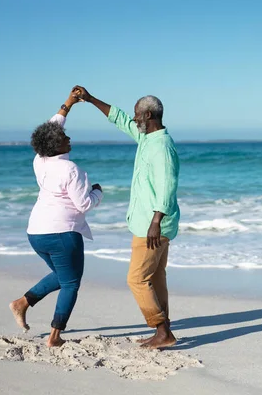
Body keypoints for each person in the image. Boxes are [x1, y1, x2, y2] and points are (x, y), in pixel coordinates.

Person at [72, 85, 179, 349]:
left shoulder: (161, 147)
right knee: (155, 278)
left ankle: (162, 330)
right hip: (149, 222)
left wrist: (155, 221)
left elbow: (167, 186)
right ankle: (163, 330)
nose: (133, 119)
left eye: (137, 116)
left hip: (152, 226)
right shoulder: (146, 138)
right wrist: (90, 99)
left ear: (149, 116)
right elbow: (118, 118)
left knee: (136, 278)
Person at [9, 92, 103, 347]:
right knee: (71, 282)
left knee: (63, 276)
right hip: (63, 234)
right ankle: (54, 336)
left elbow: (53, 126)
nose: (68, 137)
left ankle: (21, 303)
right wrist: (97, 191)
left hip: (36, 232)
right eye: (64, 138)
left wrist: (68, 105)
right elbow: (84, 204)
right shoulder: (71, 169)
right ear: (55, 145)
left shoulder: (39, 160)